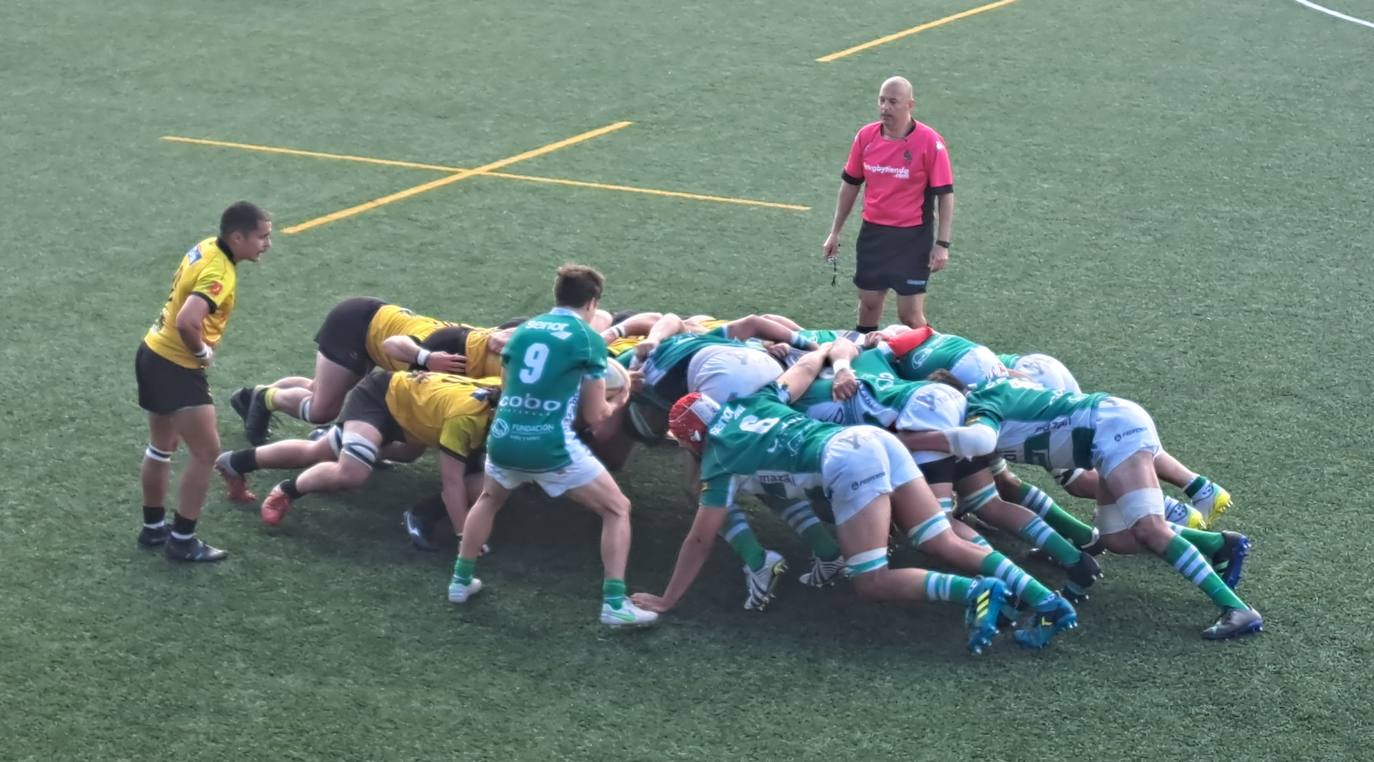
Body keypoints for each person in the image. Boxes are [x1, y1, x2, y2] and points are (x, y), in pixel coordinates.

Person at [633, 356, 1080, 654]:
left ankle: (976, 592)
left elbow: (700, 536)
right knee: (940, 538)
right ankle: (1048, 603)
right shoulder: (754, 399)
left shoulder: (718, 459)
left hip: (846, 458)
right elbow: (806, 366)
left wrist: (668, 599)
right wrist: (829, 357)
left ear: (693, 440)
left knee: (871, 580)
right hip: (874, 439)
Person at [905, 376, 1263, 640]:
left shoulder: (982, 406)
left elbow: (980, 439)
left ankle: (1237, 608)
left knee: (1150, 529)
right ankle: (1220, 545)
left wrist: (909, 440)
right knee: (1118, 538)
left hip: (1112, 429)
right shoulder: (985, 401)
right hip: (1103, 435)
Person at [449, 264, 658, 629]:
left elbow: (509, 387)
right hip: (548, 443)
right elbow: (595, 416)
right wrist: (621, 397)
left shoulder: (523, 332)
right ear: (592, 302)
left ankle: (460, 581)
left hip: (504, 436)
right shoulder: (587, 338)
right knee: (617, 509)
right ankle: (614, 603)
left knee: (488, 499)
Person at [134, 201, 271, 561]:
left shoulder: (206, 246)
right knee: (206, 453)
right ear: (237, 236)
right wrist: (201, 353)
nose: (267, 244)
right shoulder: (220, 271)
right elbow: (187, 320)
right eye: (262, 237)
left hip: (151, 351)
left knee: (161, 447)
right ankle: (182, 540)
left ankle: (153, 529)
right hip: (177, 366)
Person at [214, 370, 499, 538]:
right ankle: (286, 491)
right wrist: (466, 539)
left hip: (413, 411)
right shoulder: (469, 417)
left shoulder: (500, 394)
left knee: (323, 450)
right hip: (381, 399)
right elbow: (451, 483)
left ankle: (234, 462)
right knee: (352, 472)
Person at [230, 298, 509, 445]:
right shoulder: (453, 349)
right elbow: (393, 344)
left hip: (374, 328)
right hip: (356, 326)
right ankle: (263, 397)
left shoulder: (484, 352)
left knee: (321, 390)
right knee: (321, 411)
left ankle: (255, 397)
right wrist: (427, 357)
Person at [821, 76, 955, 333]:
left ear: (910, 105)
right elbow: (850, 184)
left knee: (910, 316)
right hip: (874, 233)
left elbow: (945, 195)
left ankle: (939, 354)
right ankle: (865, 360)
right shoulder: (866, 137)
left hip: (912, 237)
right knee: (868, 303)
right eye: (882, 100)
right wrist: (835, 232)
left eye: (893, 102)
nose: (885, 107)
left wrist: (942, 244)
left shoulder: (930, 142)